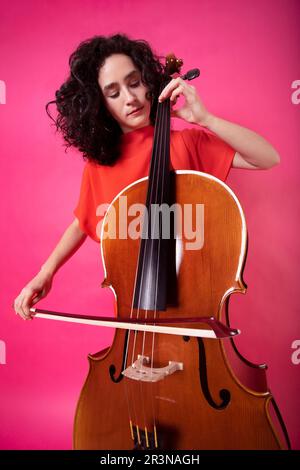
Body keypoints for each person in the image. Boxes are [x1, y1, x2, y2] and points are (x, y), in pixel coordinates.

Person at [13, 33, 280, 320]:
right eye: (114, 93)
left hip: (191, 305)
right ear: (99, 105)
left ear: (149, 82)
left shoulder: (185, 144)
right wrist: (46, 272)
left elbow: (267, 158)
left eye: (134, 83)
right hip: (134, 310)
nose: (130, 98)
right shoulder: (99, 164)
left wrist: (206, 120)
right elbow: (82, 221)